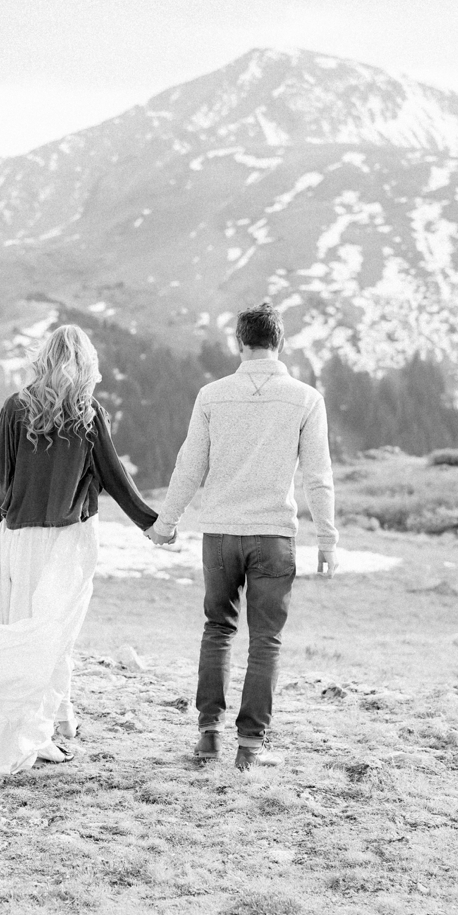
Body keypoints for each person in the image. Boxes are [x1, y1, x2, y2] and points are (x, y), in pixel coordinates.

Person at [0, 324, 159, 775]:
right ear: (86, 362)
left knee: (24, 629)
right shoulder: (88, 412)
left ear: (44, 356)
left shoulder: (15, 407)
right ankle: (35, 734)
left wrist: (4, 532)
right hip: (66, 540)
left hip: (18, 538)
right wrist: (152, 524)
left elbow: (4, 479)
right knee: (52, 636)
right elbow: (115, 477)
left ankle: (45, 724)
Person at [147, 302, 338, 771]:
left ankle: (208, 734)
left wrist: (166, 521)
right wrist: (328, 539)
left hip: (220, 535)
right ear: (280, 342)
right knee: (266, 640)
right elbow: (318, 475)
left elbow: (190, 465)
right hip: (273, 535)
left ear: (240, 341)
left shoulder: (211, 395)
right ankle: (250, 745)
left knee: (217, 629)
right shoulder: (306, 398)